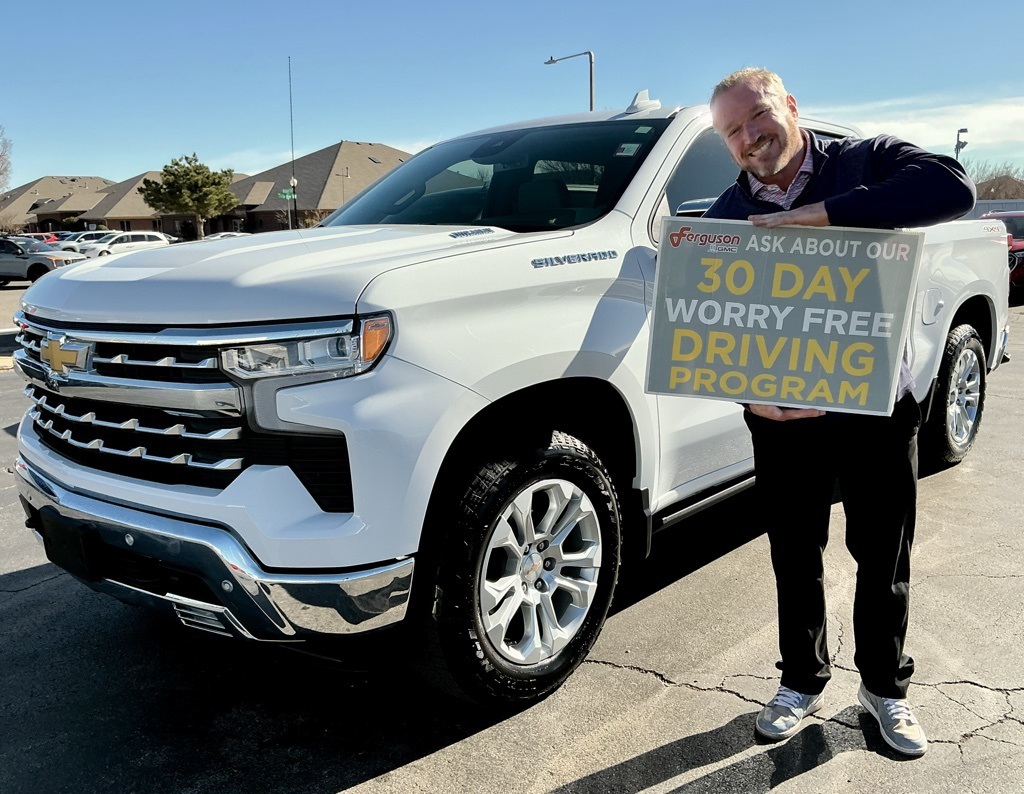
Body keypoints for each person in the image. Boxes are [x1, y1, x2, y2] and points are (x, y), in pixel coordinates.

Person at [703, 67, 976, 757]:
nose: (749, 137)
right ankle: (801, 681)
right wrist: (746, 392)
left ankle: (884, 690)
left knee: (881, 554)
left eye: (758, 116)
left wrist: (816, 217)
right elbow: (707, 329)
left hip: (878, 407)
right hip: (783, 418)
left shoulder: (865, 161)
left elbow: (953, 188)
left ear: (790, 107)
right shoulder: (723, 219)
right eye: (732, 131)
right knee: (795, 555)